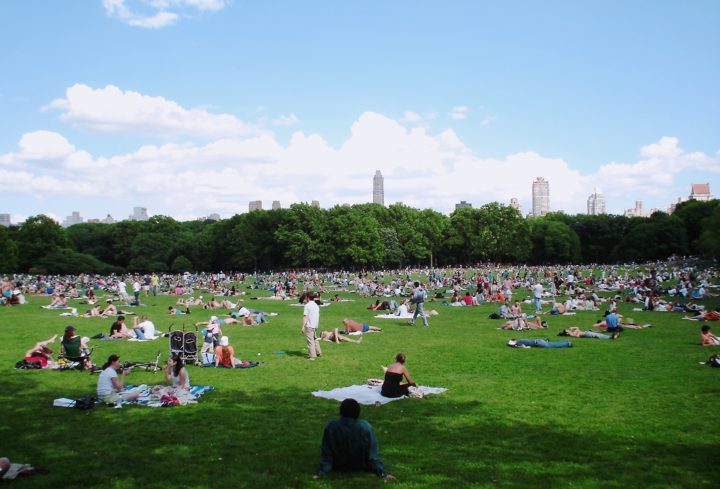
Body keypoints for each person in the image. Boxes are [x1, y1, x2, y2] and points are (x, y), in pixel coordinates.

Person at [315, 398, 396, 481]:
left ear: (341, 412)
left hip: (338, 465)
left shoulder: (331, 427)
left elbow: (327, 453)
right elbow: (372, 455)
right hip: (359, 466)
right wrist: (382, 473)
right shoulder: (365, 427)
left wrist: (322, 472)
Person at [302, 292, 322, 360]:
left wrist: (303, 326)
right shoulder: (316, 305)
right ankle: (318, 352)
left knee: (310, 341)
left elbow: (305, 317)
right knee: (315, 339)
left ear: (307, 297)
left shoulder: (307, 305)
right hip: (315, 325)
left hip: (310, 325)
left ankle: (312, 356)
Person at [507, 339, 572, 348]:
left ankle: (567, 344)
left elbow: (524, 346)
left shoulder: (518, 342)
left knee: (552, 346)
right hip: (538, 341)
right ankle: (566, 342)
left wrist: (517, 347)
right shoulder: (520, 340)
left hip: (538, 343)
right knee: (552, 344)